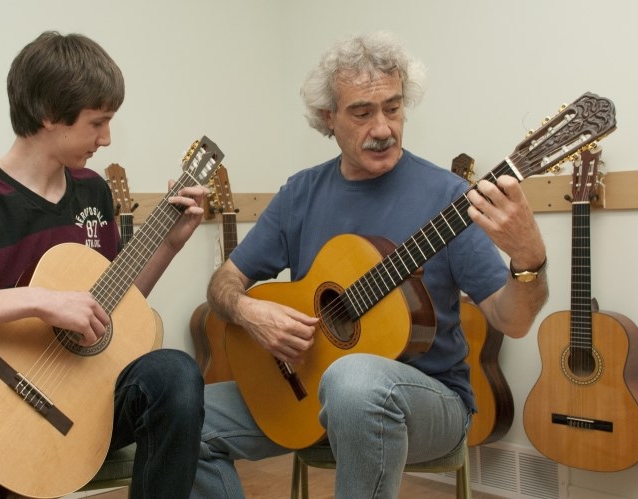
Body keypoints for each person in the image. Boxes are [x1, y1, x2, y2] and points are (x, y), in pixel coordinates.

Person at [191, 32, 548, 498]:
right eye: (362, 112)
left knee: (352, 379)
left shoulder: (448, 199)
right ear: (328, 118)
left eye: (393, 108)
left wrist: (529, 258)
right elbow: (225, 281)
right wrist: (247, 311)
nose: (383, 127)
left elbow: (513, 320)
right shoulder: (300, 193)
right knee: (180, 412)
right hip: (306, 387)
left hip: (429, 398)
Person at [0, 31, 206, 498]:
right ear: (49, 115)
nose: (107, 139)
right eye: (98, 123)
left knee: (176, 374)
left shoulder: (92, 192)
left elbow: (108, 309)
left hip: (87, 406)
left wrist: (167, 246)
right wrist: (37, 302)